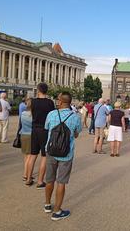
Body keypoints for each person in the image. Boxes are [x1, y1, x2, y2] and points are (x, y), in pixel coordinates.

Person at [44, 92, 81, 220]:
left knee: (49, 179)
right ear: (70, 102)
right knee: (61, 182)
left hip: (51, 151)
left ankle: (47, 204)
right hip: (66, 153)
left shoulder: (51, 114)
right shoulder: (75, 116)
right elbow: (76, 134)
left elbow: (47, 128)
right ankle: (57, 211)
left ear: (60, 101)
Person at [26, 83, 55, 188]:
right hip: (45, 130)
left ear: (38, 90)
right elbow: (52, 116)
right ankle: (40, 181)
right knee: (44, 156)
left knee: (33, 155)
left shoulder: (33, 102)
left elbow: (29, 110)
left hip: (34, 129)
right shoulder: (50, 103)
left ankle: (29, 178)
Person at [20, 98, 32, 181]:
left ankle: (25, 172)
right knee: (30, 157)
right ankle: (26, 174)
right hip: (30, 136)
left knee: (26, 156)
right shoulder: (33, 115)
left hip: (23, 134)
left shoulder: (23, 113)